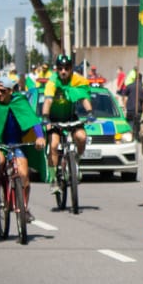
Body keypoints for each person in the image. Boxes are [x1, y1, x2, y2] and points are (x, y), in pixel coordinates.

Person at [0, 74, 48, 215]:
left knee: (24, 175)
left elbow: (33, 120)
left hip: (15, 143)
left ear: (11, 91)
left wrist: (40, 137)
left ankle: (24, 207)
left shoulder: (19, 101)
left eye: (2, 91)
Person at [39, 53, 95, 197]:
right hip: (54, 118)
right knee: (53, 145)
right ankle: (53, 179)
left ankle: (76, 161)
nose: (63, 71)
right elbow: (48, 101)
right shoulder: (52, 82)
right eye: (60, 68)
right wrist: (45, 116)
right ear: (57, 69)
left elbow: (83, 97)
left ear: (71, 69)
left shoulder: (77, 80)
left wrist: (89, 112)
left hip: (70, 117)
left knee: (81, 137)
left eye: (66, 68)